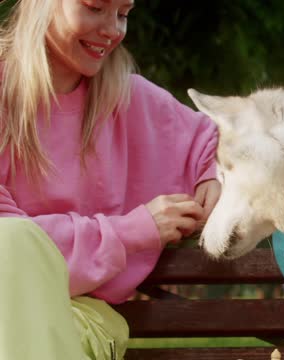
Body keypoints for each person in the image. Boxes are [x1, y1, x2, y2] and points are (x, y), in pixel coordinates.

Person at [0, 0, 221, 359]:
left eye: (123, 14)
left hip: (84, 316)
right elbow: (14, 256)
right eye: (95, 7)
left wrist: (214, 172)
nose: (113, 30)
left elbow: (218, 138)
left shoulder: (129, 97)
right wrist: (133, 231)